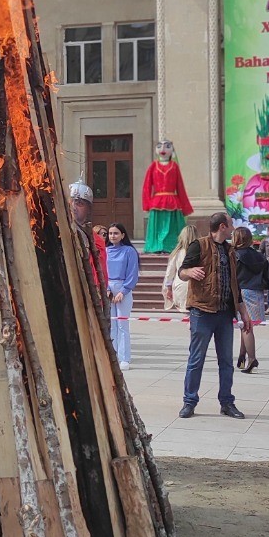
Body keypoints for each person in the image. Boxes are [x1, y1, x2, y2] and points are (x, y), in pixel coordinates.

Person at [178, 211, 252, 420]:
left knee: (226, 361)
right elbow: (182, 272)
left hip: (224, 314)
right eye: (230, 224)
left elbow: (235, 285)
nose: (232, 228)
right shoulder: (198, 245)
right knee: (196, 359)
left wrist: (243, 312)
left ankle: (227, 402)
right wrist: (190, 272)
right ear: (222, 227)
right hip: (202, 312)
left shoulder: (230, 250)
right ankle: (189, 401)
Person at [141, 139, 193, 254]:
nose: (163, 149)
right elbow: (146, 187)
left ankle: (173, 246)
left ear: (172, 150)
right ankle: (156, 246)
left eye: (167, 146)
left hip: (172, 201)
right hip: (157, 202)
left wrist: (184, 207)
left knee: (173, 227)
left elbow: (180, 187)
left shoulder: (174, 166)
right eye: (159, 146)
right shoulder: (153, 166)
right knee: (157, 227)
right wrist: (147, 204)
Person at [232, 225, 267, 373]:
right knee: (245, 326)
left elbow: (233, 276)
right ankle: (242, 356)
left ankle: (252, 359)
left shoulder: (235, 255)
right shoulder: (258, 255)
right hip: (257, 292)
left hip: (242, 292)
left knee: (246, 327)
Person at [106, 222, 139, 371]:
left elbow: (132, 273)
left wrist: (123, 291)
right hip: (108, 288)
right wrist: (106, 288)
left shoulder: (129, 251)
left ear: (122, 235)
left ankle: (124, 358)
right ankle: (112, 356)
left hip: (122, 287)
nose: (112, 236)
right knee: (111, 325)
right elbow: (102, 270)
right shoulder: (105, 251)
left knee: (122, 324)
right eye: (110, 233)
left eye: (116, 233)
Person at [69, 182, 109, 300]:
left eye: (80, 203)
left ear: (88, 209)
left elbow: (100, 275)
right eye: (71, 202)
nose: (74, 207)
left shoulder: (96, 241)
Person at [162, 221, 199, 313]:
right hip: (197, 287)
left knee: (187, 314)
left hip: (181, 285)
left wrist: (168, 288)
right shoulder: (201, 251)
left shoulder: (177, 252)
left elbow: (169, 273)